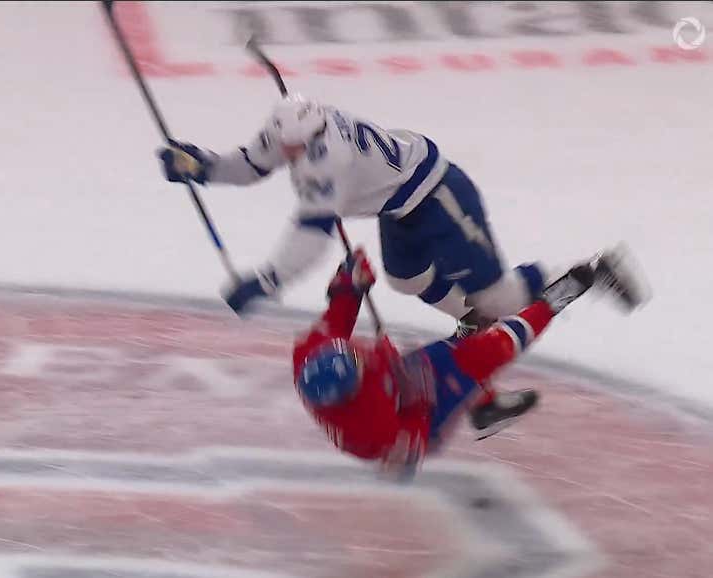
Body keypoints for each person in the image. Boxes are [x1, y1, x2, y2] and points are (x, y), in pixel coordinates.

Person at [156, 93, 643, 435]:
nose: (288, 154)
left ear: (314, 136)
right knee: (407, 280)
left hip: (439, 195)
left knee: (498, 301)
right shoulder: (293, 126)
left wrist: (267, 279)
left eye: (296, 149)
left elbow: (312, 231)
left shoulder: (328, 158)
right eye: (286, 145)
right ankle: (484, 381)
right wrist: (204, 166)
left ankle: (591, 270)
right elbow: (255, 160)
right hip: (399, 206)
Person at [291, 245, 646, 475]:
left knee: (467, 342)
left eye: (354, 355)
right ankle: (560, 296)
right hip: (424, 411)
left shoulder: (311, 351)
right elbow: (408, 450)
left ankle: (485, 403)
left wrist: (350, 281)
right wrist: (417, 401)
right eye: (358, 365)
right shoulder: (368, 427)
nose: (359, 356)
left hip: (401, 378)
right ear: (351, 392)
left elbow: (339, 311)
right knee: (488, 353)